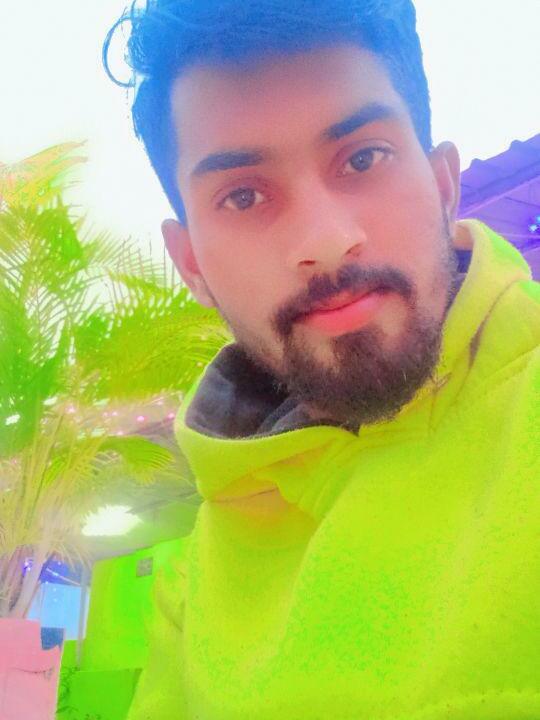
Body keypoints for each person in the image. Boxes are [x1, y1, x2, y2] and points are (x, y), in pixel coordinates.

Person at [104, 1, 540, 718]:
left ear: (443, 186)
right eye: (243, 196)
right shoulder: (190, 589)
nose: (327, 240)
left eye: (363, 158)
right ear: (191, 265)